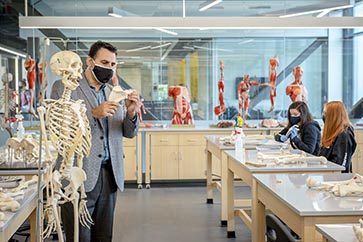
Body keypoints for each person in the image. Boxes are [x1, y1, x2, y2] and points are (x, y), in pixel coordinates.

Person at [51, 41, 140, 242]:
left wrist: (132, 113)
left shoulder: (113, 92)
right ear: (90, 62)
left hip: (110, 174)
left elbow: (128, 132)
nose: (108, 68)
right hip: (78, 174)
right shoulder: (65, 87)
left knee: (104, 235)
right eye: (104, 62)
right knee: (79, 235)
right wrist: (93, 114)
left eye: (112, 64)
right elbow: (61, 129)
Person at [319, 101, 356, 173]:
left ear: (333, 115)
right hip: (328, 175)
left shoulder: (344, 135)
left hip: (338, 179)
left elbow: (340, 163)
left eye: (326, 114)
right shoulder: (332, 133)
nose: (323, 116)